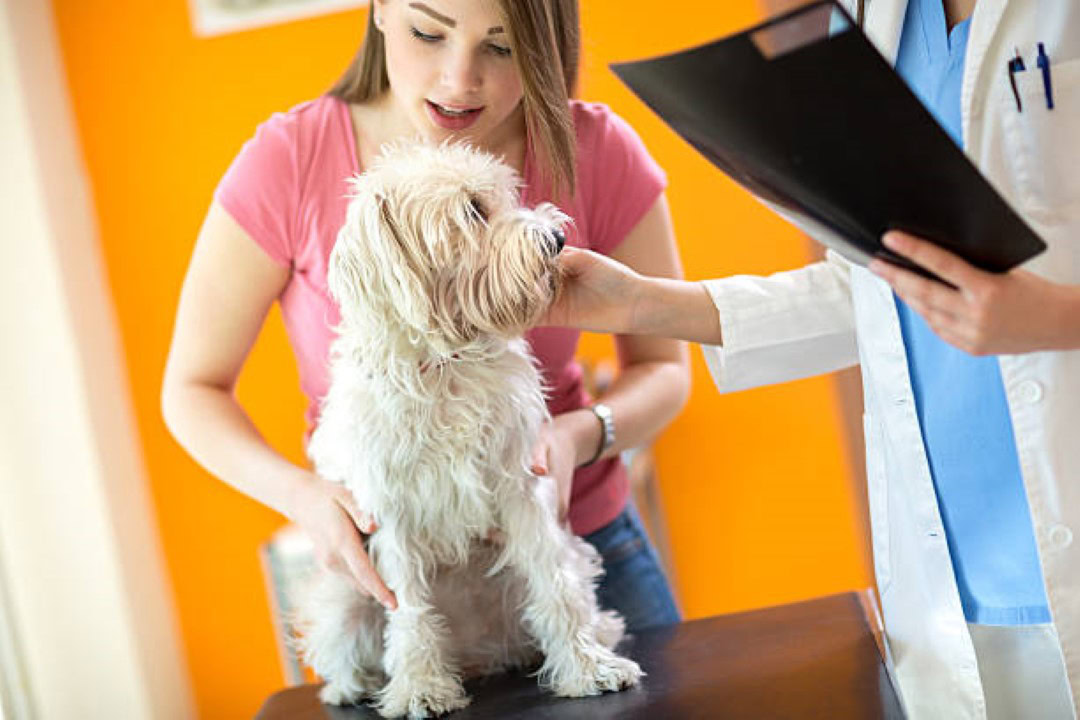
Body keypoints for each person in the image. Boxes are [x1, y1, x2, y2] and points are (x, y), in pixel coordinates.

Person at [546, 0, 1080, 717]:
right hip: (951, 583)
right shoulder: (871, 16)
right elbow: (868, 284)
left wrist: (1058, 317)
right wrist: (645, 305)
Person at [161, 0, 689, 633]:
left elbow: (664, 367)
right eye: (428, 32)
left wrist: (580, 435)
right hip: (393, 576)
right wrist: (302, 497)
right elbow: (193, 389)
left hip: (577, 549)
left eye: (501, 46)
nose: (459, 80)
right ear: (380, 9)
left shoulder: (596, 151)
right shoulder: (290, 161)